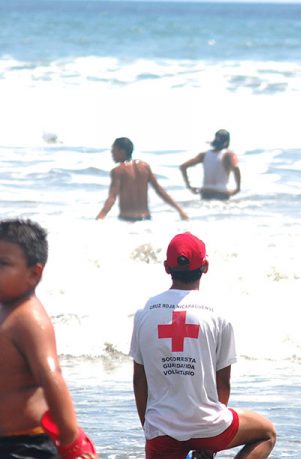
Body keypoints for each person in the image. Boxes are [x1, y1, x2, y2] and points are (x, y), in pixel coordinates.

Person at [130, 232, 276, 459]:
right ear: (205, 266)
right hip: (209, 426)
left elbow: (139, 379)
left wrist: (149, 428)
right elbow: (223, 383)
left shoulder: (144, 313)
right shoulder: (218, 314)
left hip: (161, 431)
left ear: (167, 268)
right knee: (267, 432)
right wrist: (211, 436)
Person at [0, 219, 97, 459]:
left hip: (26, 446)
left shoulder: (29, 318)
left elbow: (51, 377)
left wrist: (70, 441)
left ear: (34, 274)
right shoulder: (4, 311)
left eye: (2, 264)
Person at [96, 137, 189, 221]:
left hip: (127, 220)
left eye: (114, 150)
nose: (112, 153)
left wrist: (101, 216)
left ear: (122, 151)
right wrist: (179, 210)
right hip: (146, 219)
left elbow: (112, 197)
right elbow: (160, 190)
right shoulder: (144, 167)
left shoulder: (118, 171)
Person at [180, 129, 242, 200]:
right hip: (221, 193)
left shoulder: (204, 154)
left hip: (206, 192)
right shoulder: (229, 155)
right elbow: (236, 168)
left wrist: (189, 186)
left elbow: (183, 166)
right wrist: (238, 188)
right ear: (227, 141)